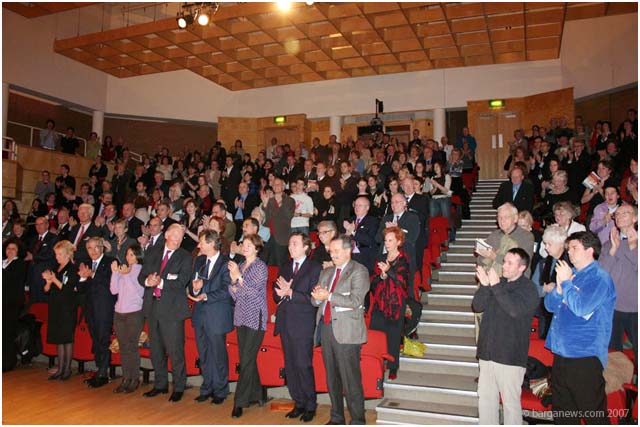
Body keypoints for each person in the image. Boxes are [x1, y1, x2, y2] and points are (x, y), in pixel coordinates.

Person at [544, 231, 616, 424]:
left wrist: (566, 283)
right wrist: (559, 289)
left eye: (574, 248)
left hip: (585, 356)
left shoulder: (600, 278)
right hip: (561, 354)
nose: (569, 252)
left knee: (593, 415)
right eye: (568, 248)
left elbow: (581, 307)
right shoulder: (571, 276)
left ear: (590, 250)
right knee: (563, 414)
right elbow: (549, 306)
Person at [473, 248, 539, 425]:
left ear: (522, 267)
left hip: (510, 357)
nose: (504, 266)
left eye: (510, 263)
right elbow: (477, 306)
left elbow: (514, 310)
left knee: (510, 404)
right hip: (488, 353)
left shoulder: (528, 289)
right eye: (505, 261)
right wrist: (485, 286)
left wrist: (495, 286)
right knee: (486, 400)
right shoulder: (498, 283)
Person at [311, 235, 369, 425]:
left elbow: (355, 300)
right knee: (332, 378)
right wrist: (317, 297)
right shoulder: (327, 272)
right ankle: (337, 417)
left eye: (336, 251)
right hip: (327, 329)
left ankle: (358, 419)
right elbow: (315, 301)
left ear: (348, 250)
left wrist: (328, 296)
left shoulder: (359, 271)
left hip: (347, 332)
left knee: (350, 380)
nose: (332, 254)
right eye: (331, 251)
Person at [138, 224, 193, 403]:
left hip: (172, 310)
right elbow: (141, 276)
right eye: (175, 234)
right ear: (167, 234)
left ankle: (179, 387)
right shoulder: (153, 252)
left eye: (181, 236)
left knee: (175, 351)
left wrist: (160, 283)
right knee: (156, 350)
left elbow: (183, 281)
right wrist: (148, 281)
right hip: (152, 306)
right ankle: (160, 384)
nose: (178, 238)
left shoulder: (185, 256)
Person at [273, 233, 321, 422]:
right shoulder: (285, 266)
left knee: (303, 365)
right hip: (285, 322)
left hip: (303, 324)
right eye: (290, 244)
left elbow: (314, 299)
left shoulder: (314, 268)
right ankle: (298, 402)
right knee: (290, 365)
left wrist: (291, 292)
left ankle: (310, 404)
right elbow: (276, 294)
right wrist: (281, 292)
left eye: (295, 244)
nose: (290, 247)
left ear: (305, 247)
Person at [188, 230, 233, 405]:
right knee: (204, 354)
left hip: (217, 315)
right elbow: (192, 285)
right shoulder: (199, 261)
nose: (198, 245)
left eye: (202, 242)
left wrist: (205, 293)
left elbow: (227, 290)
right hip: (200, 314)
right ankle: (207, 387)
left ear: (212, 243)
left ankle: (221, 390)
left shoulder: (226, 263)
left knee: (218, 354)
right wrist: (195, 289)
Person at [228, 234, 268, 418]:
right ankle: (258, 394)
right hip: (241, 315)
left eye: (249, 245)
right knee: (247, 358)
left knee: (246, 359)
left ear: (257, 248)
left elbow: (252, 292)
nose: (244, 247)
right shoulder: (241, 265)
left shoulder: (260, 267)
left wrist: (238, 278)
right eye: (243, 244)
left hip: (255, 316)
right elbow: (235, 294)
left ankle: (240, 402)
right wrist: (234, 282)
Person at [600, 204, 638, 369]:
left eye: (625, 213)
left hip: (635, 307)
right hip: (612, 306)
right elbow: (602, 274)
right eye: (618, 213)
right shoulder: (609, 244)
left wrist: (633, 247)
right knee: (613, 355)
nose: (620, 216)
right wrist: (613, 250)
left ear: (635, 218)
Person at [369, 227, 409, 380]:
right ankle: (376, 366)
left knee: (393, 336)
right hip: (380, 301)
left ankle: (393, 367)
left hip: (395, 303)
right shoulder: (380, 258)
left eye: (390, 240)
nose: (387, 243)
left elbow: (403, 282)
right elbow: (372, 281)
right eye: (385, 240)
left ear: (398, 242)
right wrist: (382, 276)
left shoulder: (403, 258)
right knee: (376, 334)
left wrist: (389, 270)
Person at [76, 237, 116, 388]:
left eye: (95, 247)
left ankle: (103, 373)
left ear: (102, 248)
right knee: (95, 340)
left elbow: (110, 284)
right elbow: (80, 289)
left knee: (103, 339)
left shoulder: (111, 261)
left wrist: (92, 275)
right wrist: (82, 278)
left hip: (105, 308)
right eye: (89, 248)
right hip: (90, 308)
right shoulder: (86, 264)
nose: (93, 251)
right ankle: (100, 369)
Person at [109, 244, 145, 394]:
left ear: (138, 256)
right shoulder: (124, 269)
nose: (128, 257)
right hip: (119, 313)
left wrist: (125, 275)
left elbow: (137, 293)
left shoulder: (140, 270)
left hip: (134, 313)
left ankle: (134, 379)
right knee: (123, 347)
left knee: (132, 347)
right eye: (127, 254)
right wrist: (115, 273)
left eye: (132, 254)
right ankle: (126, 378)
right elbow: (113, 290)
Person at [42, 240, 79, 381]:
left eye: (60, 254)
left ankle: (67, 369)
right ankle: (60, 368)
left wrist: (54, 279)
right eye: (56, 254)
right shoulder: (55, 268)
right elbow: (47, 290)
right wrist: (48, 282)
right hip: (55, 306)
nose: (57, 257)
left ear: (68, 254)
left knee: (67, 339)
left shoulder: (73, 269)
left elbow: (68, 290)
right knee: (59, 338)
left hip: (67, 307)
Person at [477, 203, 534, 277]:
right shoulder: (494, 235)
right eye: (499, 217)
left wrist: (494, 256)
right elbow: (480, 261)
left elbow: (521, 263)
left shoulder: (526, 236)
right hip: (491, 278)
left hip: (515, 280)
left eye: (506, 217)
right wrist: (481, 252)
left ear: (515, 218)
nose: (502, 220)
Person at [3, 240, 27, 372]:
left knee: (8, 332)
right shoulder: (3, 262)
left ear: (18, 251)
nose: (10, 251)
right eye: (8, 248)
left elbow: (12, 279)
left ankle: (7, 362)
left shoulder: (20, 264)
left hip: (11, 303)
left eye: (13, 249)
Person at [261, 178, 295, 266]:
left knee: (281, 264)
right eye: (274, 184)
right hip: (269, 236)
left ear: (283, 187)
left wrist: (278, 205)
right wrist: (265, 205)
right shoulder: (270, 200)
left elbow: (287, 216)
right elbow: (268, 219)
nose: (276, 186)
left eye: (278, 184)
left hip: (282, 236)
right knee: (268, 264)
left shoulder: (289, 200)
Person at [25, 216, 58, 303]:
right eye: (36, 224)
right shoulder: (33, 239)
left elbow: (51, 254)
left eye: (41, 224)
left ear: (47, 225)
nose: (38, 226)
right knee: (32, 301)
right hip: (32, 274)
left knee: (43, 302)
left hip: (44, 275)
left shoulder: (53, 238)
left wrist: (33, 257)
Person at [343, 196, 379, 275]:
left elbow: (369, 240)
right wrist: (346, 235)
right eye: (355, 205)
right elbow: (342, 240)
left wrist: (353, 231)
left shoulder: (373, 221)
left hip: (364, 257)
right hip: (349, 257)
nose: (356, 207)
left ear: (367, 207)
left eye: (360, 205)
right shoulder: (349, 220)